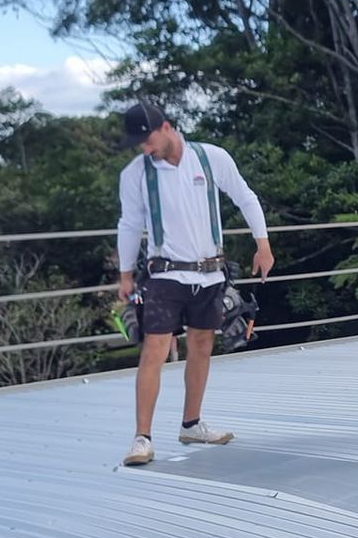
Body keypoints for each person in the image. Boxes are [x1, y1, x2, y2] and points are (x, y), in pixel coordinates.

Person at [115, 101, 273, 466]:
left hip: (210, 272)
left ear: (166, 127)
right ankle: (142, 438)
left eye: (148, 139)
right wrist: (125, 274)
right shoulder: (136, 174)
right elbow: (129, 224)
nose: (144, 148)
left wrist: (262, 244)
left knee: (202, 345)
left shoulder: (210, 158)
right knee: (154, 349)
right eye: (139, 142)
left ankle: (192, 422)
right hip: (165, 275)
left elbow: (245, 196)